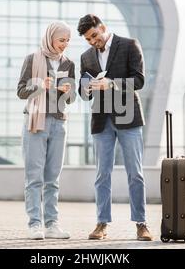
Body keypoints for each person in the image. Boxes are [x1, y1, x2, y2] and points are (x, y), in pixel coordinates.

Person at [77, 14, 153, 241]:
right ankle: (102, 224)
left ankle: (141, 224)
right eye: (88, 39)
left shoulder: (130, 45)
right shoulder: (86, 56)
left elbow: (139, 81)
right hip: (101, 121)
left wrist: (111, 84)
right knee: (102, 174)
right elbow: (83, 92)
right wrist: (87, 88)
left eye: (94, 36)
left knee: (135, 174)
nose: (92, 42)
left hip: (128, 119)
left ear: (102, 27)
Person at [17, 21, 76, 240]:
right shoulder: (32, 59)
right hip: (35, 122)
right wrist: (41, 85)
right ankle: (35, 224)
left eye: (68, 41)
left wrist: (68, 92)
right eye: (62, 40)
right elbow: (21, 91)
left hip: (59, 123)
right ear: (50, 38)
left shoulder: (68, 63)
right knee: (34, 177)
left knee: (53, 178)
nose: (65, 44)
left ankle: (52, 224)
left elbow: (71, 99)